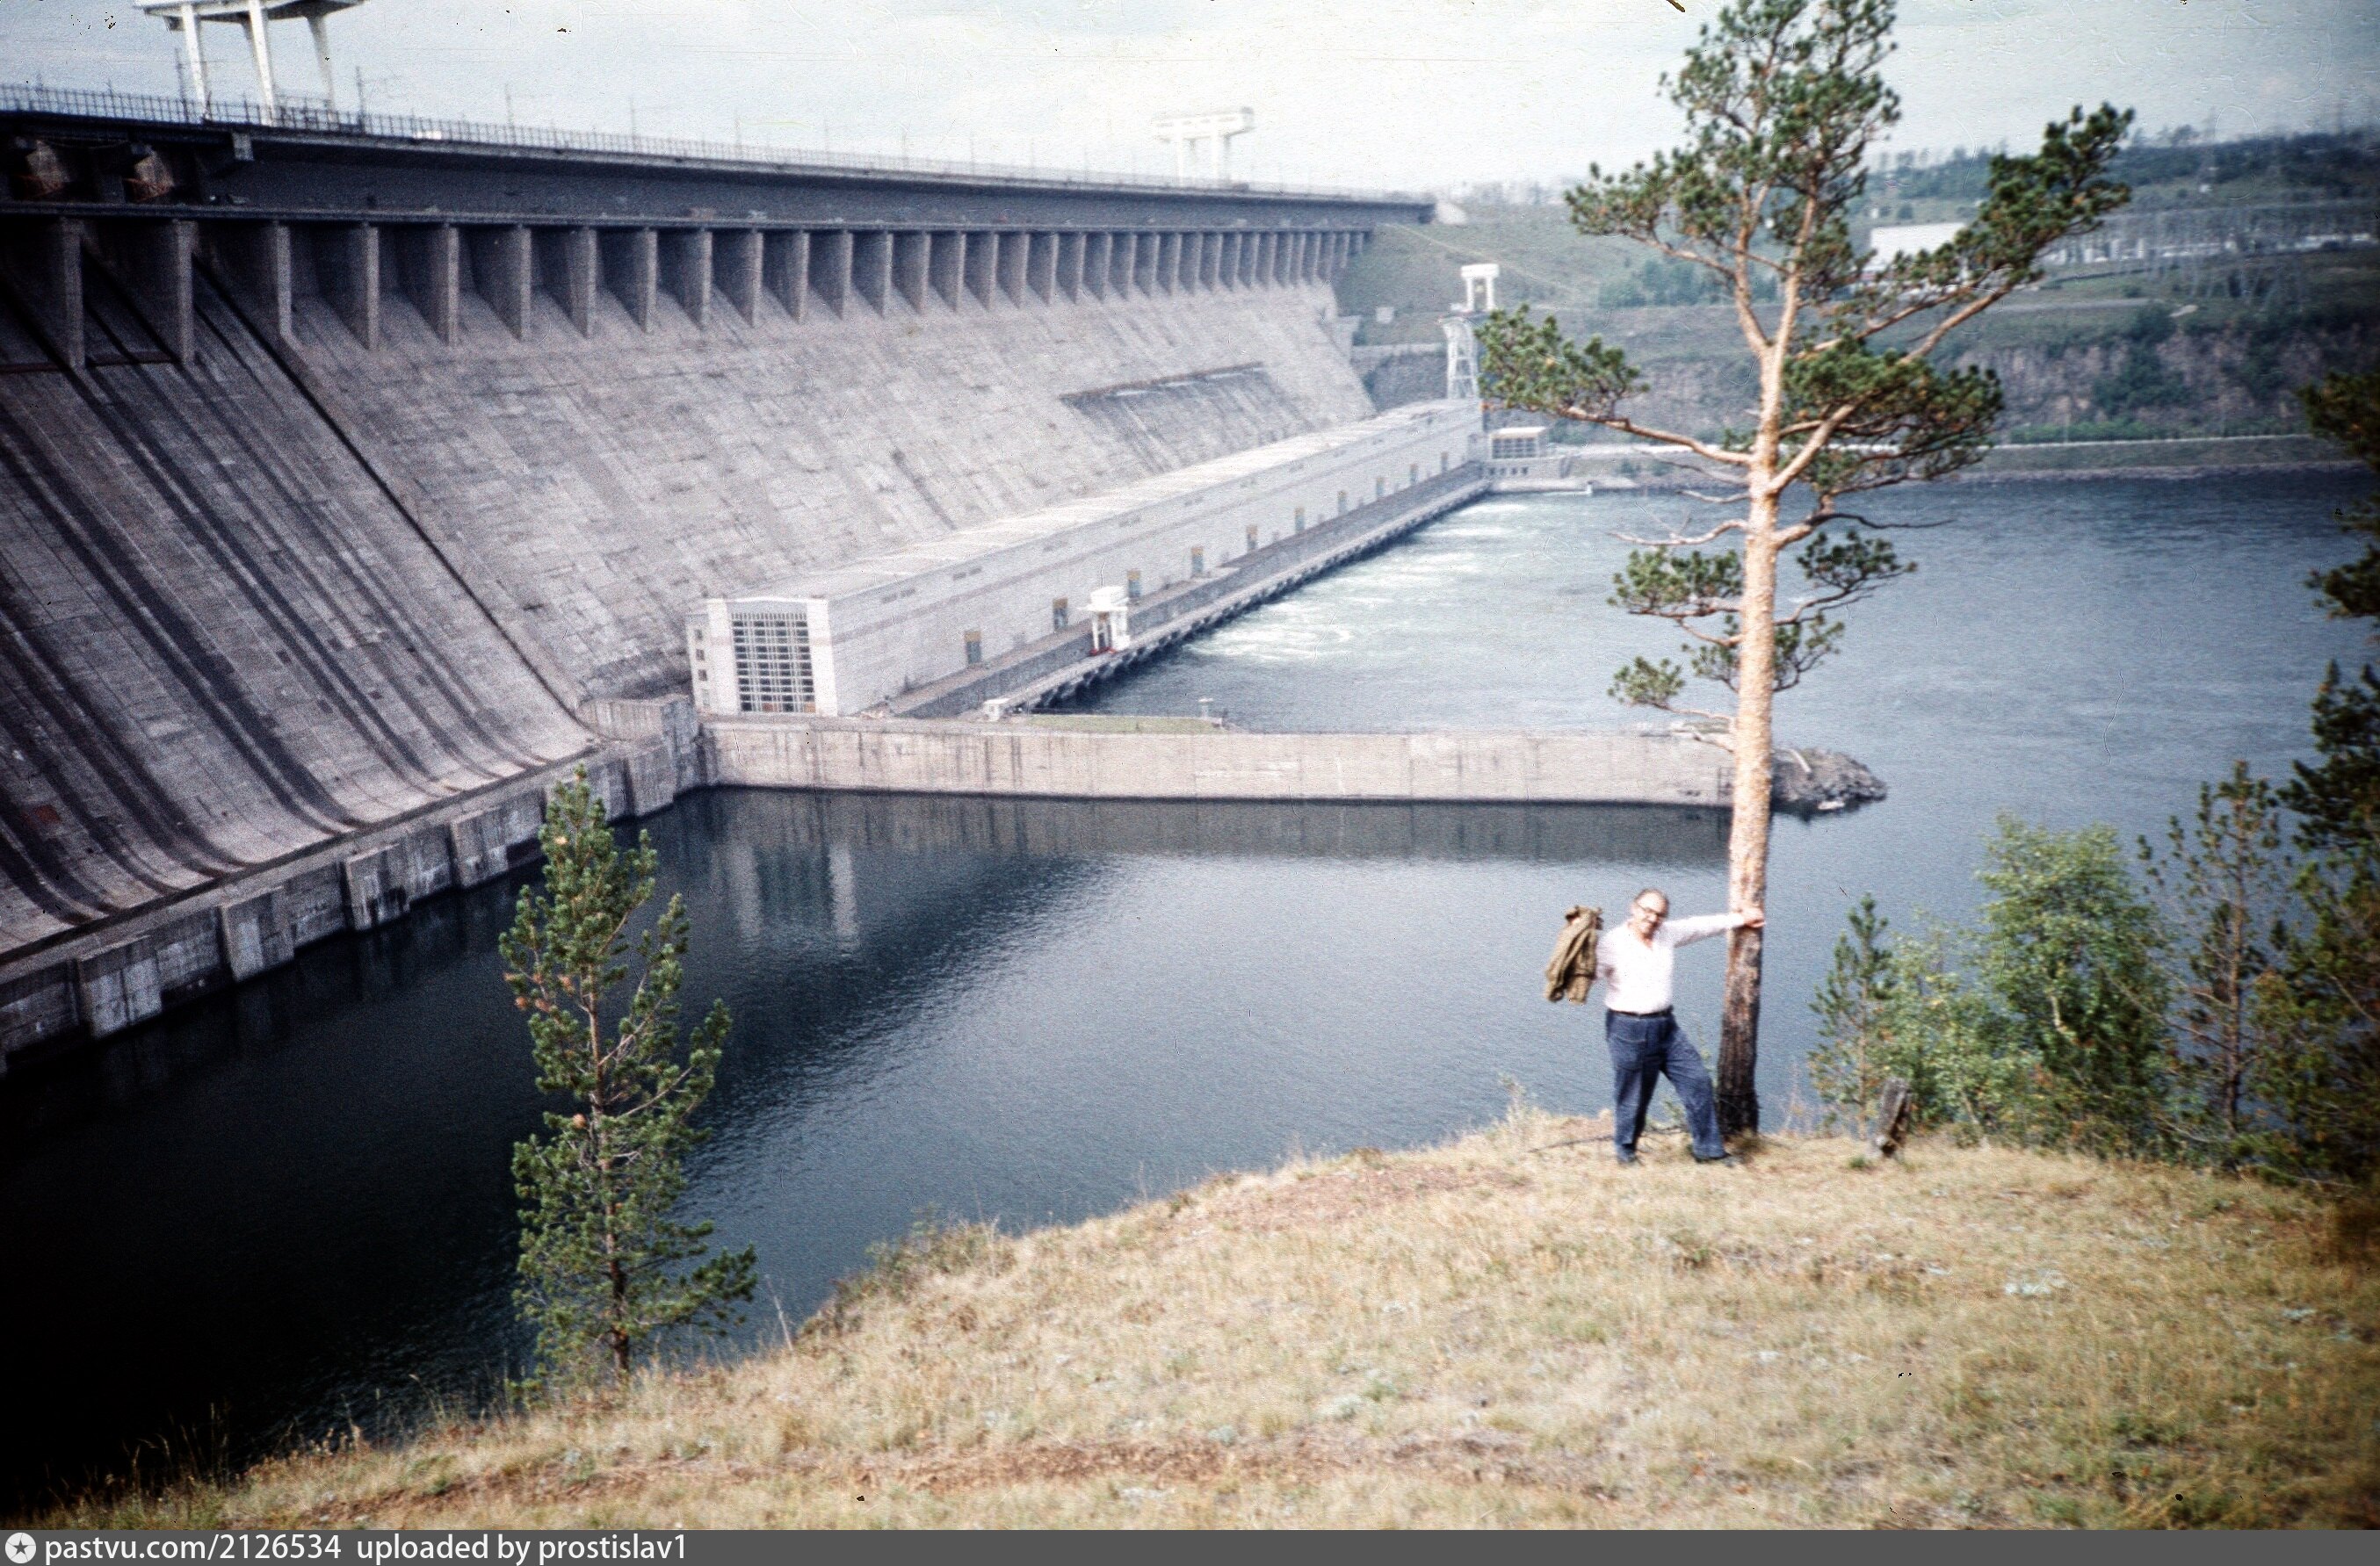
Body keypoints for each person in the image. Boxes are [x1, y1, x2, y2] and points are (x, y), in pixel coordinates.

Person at [1594, 887, 1763, 1166]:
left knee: (1697, 1081)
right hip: (1628, 1029)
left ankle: (1708, 1151)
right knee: (1634, 1095)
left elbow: (1700, 926)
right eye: (1647, 911)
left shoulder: (1666, 934)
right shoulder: (1612, 943)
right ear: (1633, 908)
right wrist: (1574, 965)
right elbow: (1587, 977)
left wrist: (1741, 918)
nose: (1652, 918)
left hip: (1666, 1027)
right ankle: (1625, 1153)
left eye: (1659, 914)